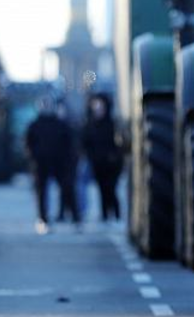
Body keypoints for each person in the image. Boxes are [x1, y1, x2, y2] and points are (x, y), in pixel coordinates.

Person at [26, 98, 80, 235]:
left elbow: (70, 144)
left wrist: (69, 161)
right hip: (41, 163)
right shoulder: (35, 125)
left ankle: (75, 218)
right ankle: (43, 219)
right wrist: (34, 157)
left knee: (67, 188)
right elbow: (28, 144)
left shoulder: (60, 124)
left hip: (59, 163)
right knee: (41, 192)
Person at [81, 93, 123, 222]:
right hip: (97, 163)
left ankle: (116, 214)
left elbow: (119, 144)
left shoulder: (112, 124)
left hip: (112, 164)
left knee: (111, 189)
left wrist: (114, 157)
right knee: (102, 189)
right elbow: (85, 143)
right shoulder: (89, 125)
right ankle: (105, 214)